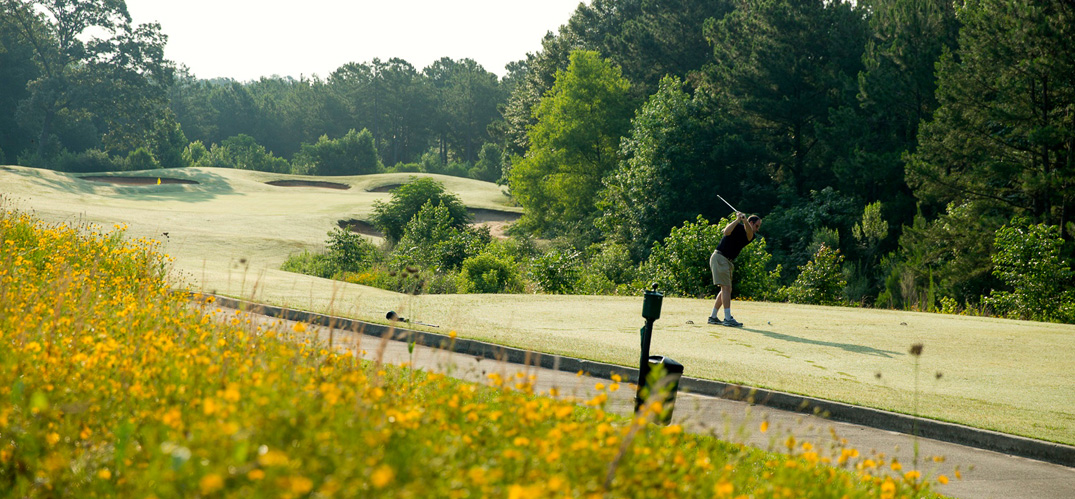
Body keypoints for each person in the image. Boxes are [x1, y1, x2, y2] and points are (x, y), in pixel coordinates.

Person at [708, 212, 762, 327]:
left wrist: (744, 221)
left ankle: (713, 317)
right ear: (752, 223)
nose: (757, 229)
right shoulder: (737, 226)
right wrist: (738, 220)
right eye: (757, 226)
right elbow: (726, 232)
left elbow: (748, 233)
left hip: (727, 261)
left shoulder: (751, 234)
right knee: (726, 288)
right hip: (720, 257)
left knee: (726, 289)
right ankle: (727, 318)